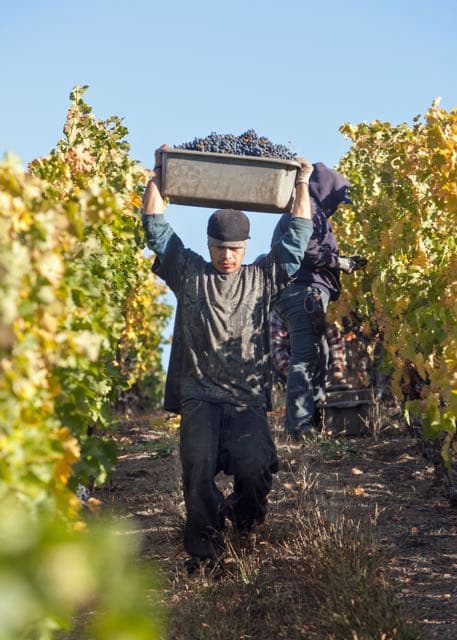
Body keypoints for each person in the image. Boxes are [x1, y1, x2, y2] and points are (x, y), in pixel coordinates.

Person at [140, 146, 314, 569]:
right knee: (197, 474)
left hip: (247, 399)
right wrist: (159, 174)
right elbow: (155, 229)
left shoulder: (261, 277)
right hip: (199, 397)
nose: (227, 255)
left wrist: (302, 184)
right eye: (220, 247)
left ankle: (244, 521)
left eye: (235, 248)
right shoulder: (188, 271)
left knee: (255, 470)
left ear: (246, 247)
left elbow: (295, 241)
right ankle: (204, 551)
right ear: (209, 244)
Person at [270, 163, 366, 439]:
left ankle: (312, 420)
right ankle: (299, 426)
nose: (336, 205)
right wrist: (341, 262)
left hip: (303, 292)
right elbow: (307, 250)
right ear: (324, 189)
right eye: (336, 197)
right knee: (305, 357)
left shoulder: (310, 208)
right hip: (304, 292)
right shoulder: (308, 208)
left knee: (319, 354)